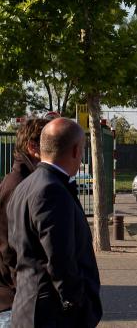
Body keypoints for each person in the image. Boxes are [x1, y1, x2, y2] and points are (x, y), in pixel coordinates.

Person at [7, 118, 102, 327]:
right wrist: (77, 304)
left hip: (29, 307)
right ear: (76, 150)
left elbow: (15, 250)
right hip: (51, 314)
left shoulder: (26, 185)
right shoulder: (51, 190)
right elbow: (60, 260)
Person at [0, 118, 50, 326]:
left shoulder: (25, 181)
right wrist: (25, 288)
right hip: (14, 302)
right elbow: (9, 249)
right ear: (33, 147)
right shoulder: (19, 185)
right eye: (50, 145)